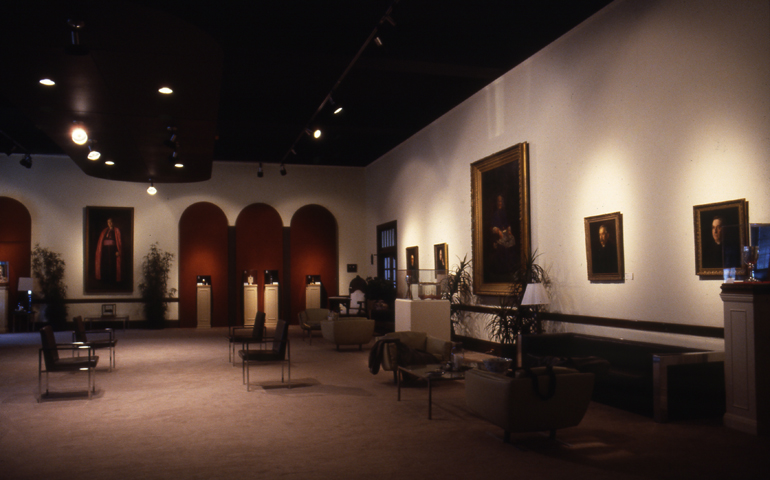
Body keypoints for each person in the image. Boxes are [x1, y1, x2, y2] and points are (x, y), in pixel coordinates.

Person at [95, 218, 122, 283]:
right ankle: (105, 279)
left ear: (113, 222)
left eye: (110, 222)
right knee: (105, 264)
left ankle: (112, 279)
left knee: (112, 264)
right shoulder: (104, 231)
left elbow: (118, 242)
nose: (109, 224)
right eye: (108, 222)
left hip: (113, 251)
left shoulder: (116, 230)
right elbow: (101, 242)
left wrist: (117, 250)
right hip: (105, 251)